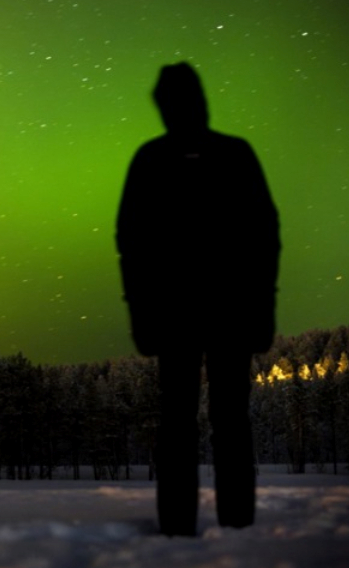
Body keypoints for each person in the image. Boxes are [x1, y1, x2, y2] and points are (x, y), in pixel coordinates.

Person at [116, 62, 280, 536]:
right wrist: (262, 306)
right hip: (212, 313)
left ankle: (188, 527)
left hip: (188, 315)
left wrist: (141, 314)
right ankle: (227, 526)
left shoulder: (155, 159)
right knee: (219, 421)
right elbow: (264, 236)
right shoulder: (230, 154)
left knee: (188, 423)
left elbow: (133, 245)